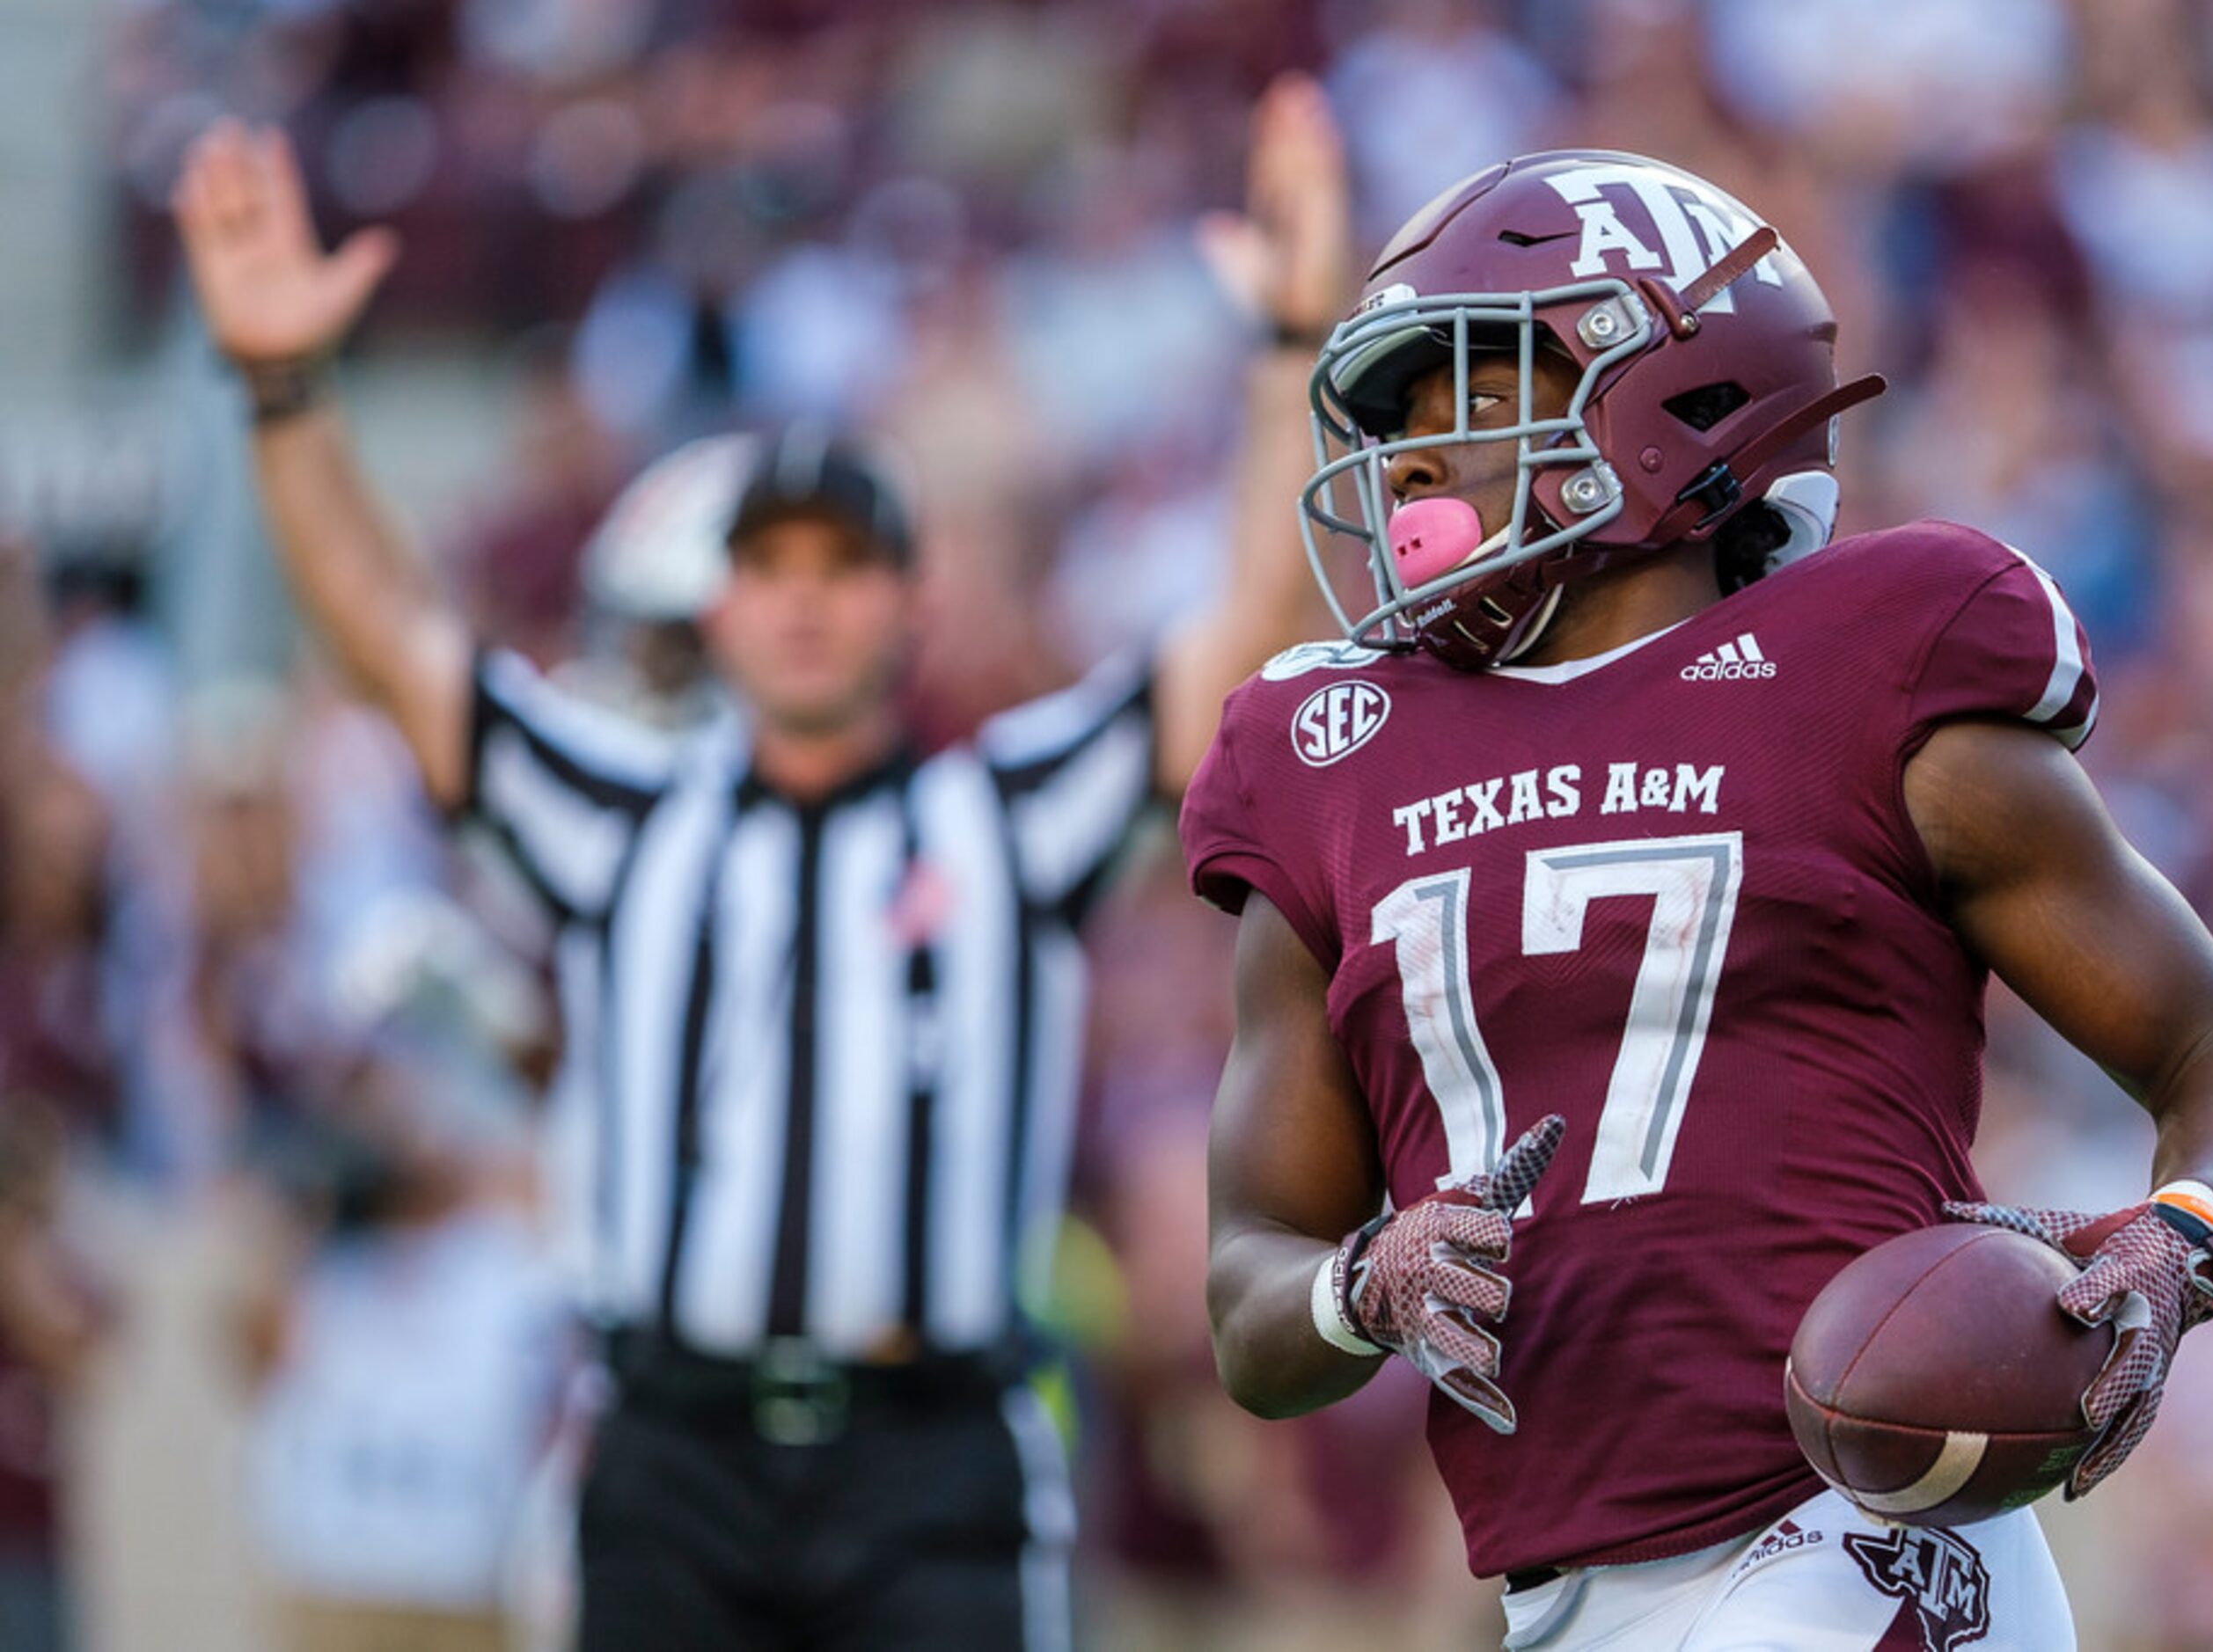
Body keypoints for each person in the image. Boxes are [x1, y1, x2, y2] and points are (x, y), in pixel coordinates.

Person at [172, 76, 1350, 1650]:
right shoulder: (625, 810)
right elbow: (393, 642)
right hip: (676, 1443)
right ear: (714, 608)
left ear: (907, 606)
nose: (804, 603)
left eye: (843, 568)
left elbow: (1236, 648)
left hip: (931, 1445)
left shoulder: (1008, 814)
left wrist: (1290, 353)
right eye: (769, 569)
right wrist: (281, 391)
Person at [1181, 150, 2213, 1648]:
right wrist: (1362, 1282)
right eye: (1394, 421)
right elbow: (1251, 1294)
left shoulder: (1867, 660)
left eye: (1466, 395)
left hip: (1853, 1536)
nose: (1406, 459)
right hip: (1563, 1592)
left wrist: (2178, 1241)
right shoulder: (1325, 750)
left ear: (1676, 397)